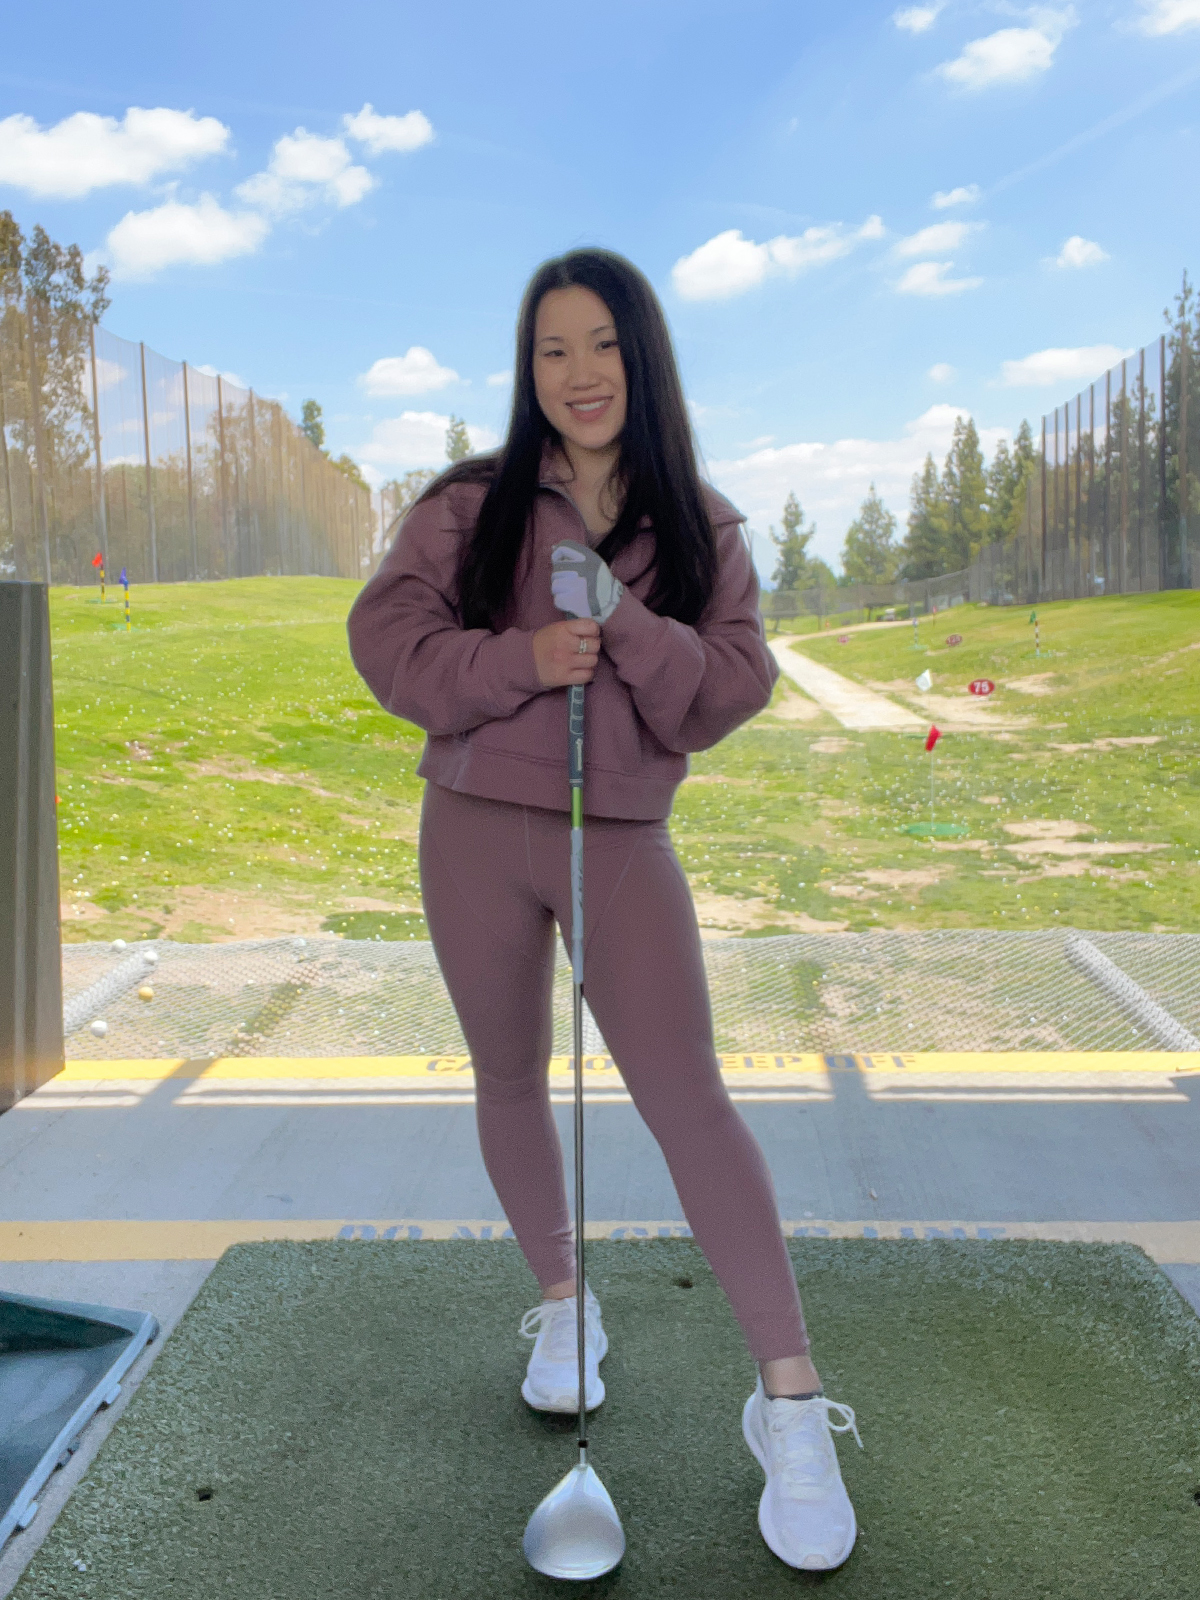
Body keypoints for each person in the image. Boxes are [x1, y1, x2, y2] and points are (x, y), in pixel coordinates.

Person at [348, 248, 862, 1572]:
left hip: (622, 842)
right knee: (509, 1078)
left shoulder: (704, 522)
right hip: (471, 832)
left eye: (600, 345)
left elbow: (727, 688)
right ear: (527, 373)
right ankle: (567, 1305)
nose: (576, 374)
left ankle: (790, 1403)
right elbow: (386, 645)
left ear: (643, 355)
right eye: (549, 351)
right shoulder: (470, 505)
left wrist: (626, 624)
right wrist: (519, 659)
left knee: (689, 1101)